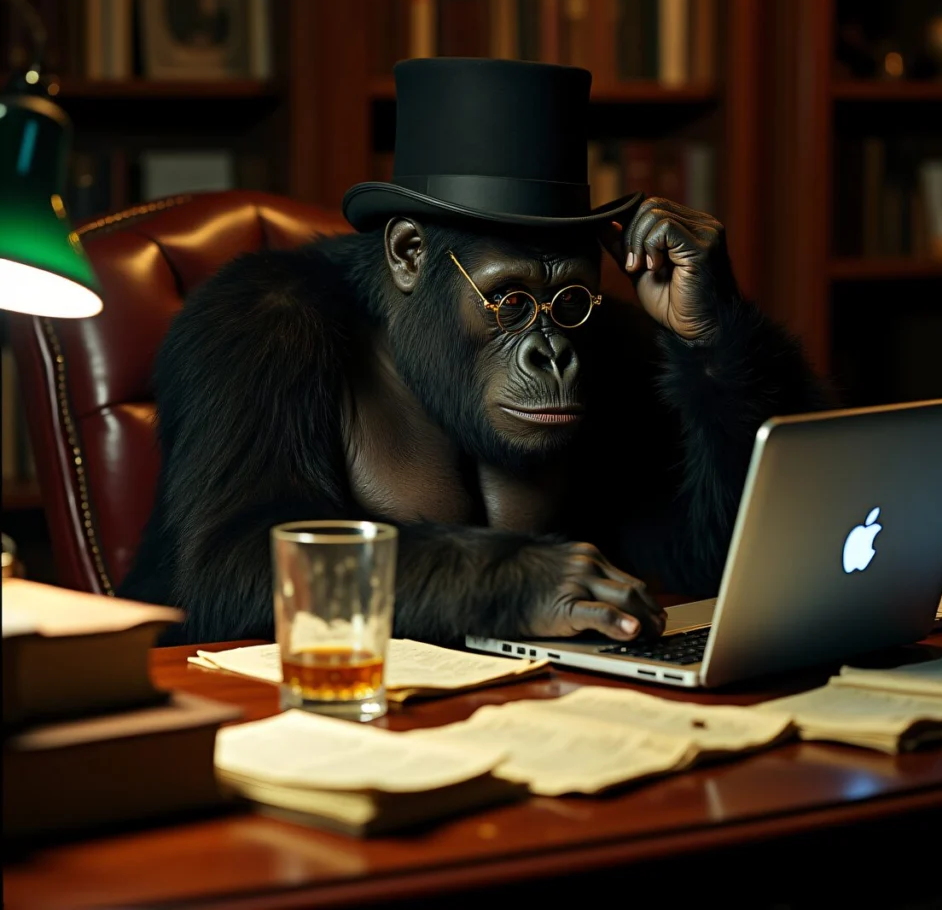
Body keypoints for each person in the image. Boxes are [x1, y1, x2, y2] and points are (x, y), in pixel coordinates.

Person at [117, 58, 830, 647]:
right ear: (408, 255)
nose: (550, 350)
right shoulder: (266, 322)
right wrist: (501, 580)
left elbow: (715, 559)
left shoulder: (594, 333)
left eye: (569, 299)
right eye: (509, 301)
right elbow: (222, 576)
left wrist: (712, 342)